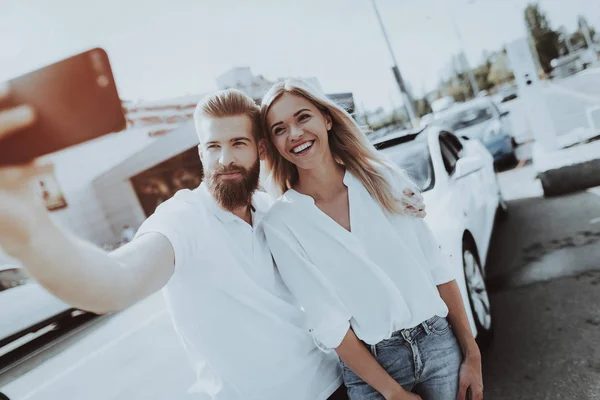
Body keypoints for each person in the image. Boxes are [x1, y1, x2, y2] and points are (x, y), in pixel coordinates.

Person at [0, 82, 425, 399]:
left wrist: (394, 199)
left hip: (335, 386)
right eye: (212, 147)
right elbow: (117, 281)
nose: (224, 160)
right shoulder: (183, 218)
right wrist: (32, 233)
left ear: (260, 148)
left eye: (237, 144)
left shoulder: (272, 209)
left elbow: (348, 237)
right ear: (200, 152)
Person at [258, 79, 484, 400]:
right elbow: (329, 323)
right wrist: (392, 393)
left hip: (439, 344)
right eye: (279, 128)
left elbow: (437, 269)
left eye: (302, 117)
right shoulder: (282, 222)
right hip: (372, 369)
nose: (294, 133)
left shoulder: (382, 179)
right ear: (274, 143)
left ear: (327, 118)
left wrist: (472, 354)